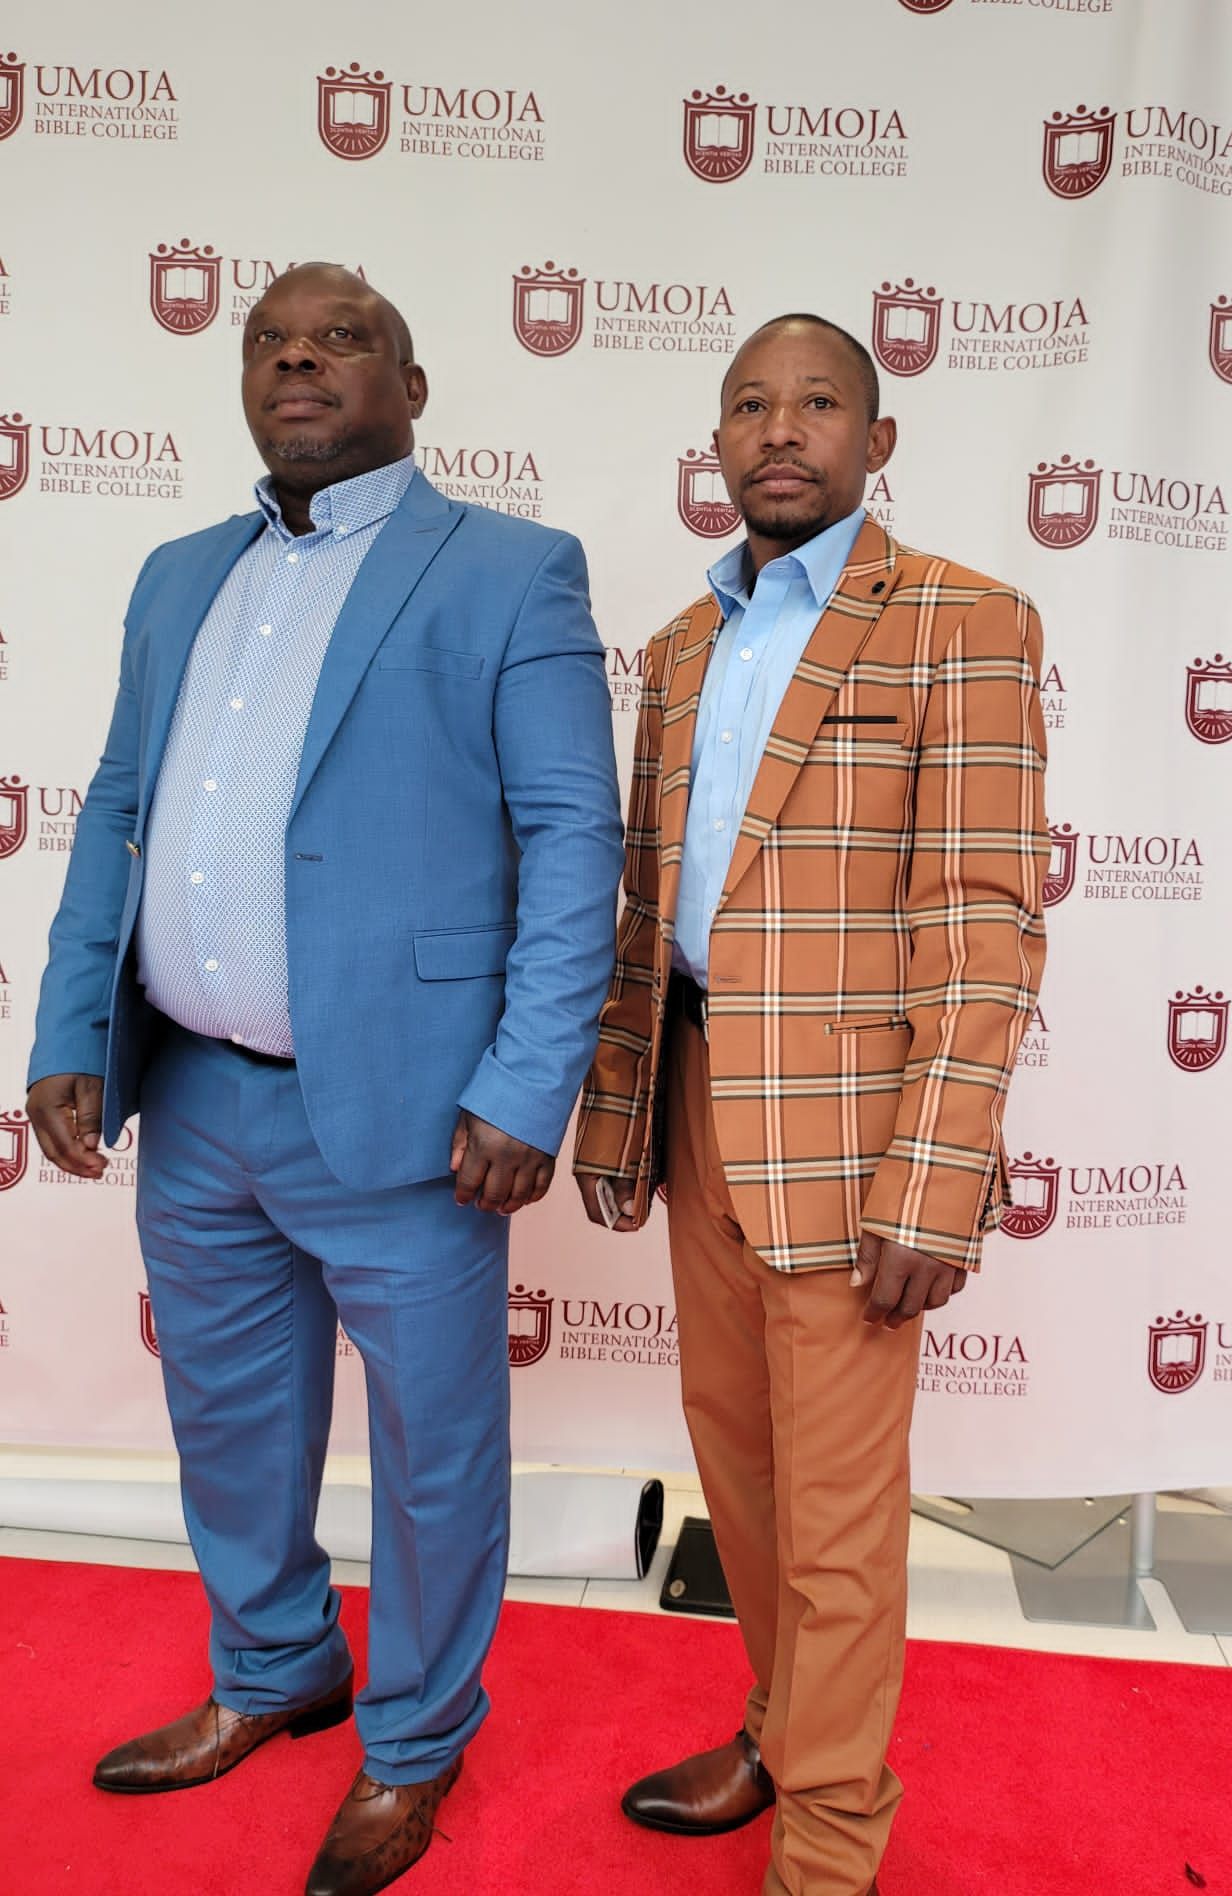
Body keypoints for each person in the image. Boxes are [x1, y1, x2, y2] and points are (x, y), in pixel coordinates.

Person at [26, 263, 623, 1896]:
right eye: (272, 341)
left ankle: (415, 1743)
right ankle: (275, 1667)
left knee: (433, 1450)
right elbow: (121, 803)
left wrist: (525, 1082)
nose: (300, 359)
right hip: (200, 1095)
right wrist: (69, 1024)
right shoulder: (175, 577)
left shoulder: (509, 572)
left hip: (418, 1111)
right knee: (229, 1424)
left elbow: (575, 839)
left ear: (412, 389)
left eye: (341, 339)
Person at [573, 314, 1049, 1895]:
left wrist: (937, 1181)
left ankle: (831, 1853)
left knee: (839, 1519)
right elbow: (652, 911)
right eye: (751, 405)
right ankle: (779, 1732)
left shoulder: (964, 623)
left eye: (820, 402)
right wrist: (619, 1113)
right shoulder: (680, 649)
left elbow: (987, 922)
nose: (782, 429)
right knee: (742, 1473)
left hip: (856, 1143)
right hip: (701, 1102)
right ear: (718, 443)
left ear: (877, 440)